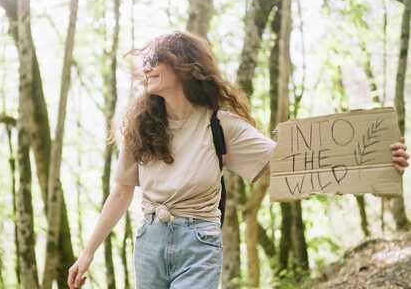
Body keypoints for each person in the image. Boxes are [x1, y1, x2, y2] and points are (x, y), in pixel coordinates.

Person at [67, 30, 410, 289]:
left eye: (156, 58)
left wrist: (380, 156)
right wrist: (87, 253)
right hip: (150, 243)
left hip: (198, 242)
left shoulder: (220, 125)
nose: (147, 67)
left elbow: (291, 162)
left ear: (183, 65)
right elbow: (122, 192)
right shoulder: (140, 127)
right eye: (145, 63)